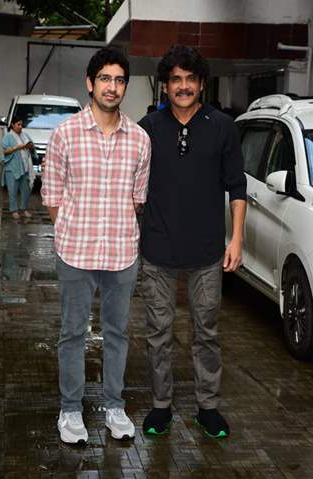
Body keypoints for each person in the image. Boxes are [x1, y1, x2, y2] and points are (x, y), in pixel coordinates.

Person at [41, 47, 151, 443]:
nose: (112, 86)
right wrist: (75, 231)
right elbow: (52, 196)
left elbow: (138, 199)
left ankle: (115, 406)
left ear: (125, 86)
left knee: (118, 333)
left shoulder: (140, 139)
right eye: (104, 78)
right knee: (72, 333)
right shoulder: (65, 134)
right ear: (90, 84)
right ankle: (70, 411)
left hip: (122, 254)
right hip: (75, 253)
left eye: (119, 79)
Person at [138, 45, 247, 438]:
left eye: (190, 79)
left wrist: (236, 239)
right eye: (175, 80)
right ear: (165, 86)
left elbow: (237, 186)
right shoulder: (147, 129)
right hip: (158, 251)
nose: (183, 87)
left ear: (202, 83)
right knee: (158, 333)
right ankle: (161, 406)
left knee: (208, 332)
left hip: (207, 253)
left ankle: (208, 408)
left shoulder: (222, 127)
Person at [1, 116, 37, 220]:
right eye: (18, 125)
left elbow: (32, 146)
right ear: (13, 125)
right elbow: (5, 151)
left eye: (22, 125)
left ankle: (23, 208)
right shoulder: (8, 136)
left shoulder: (25, 135)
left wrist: (31, 146)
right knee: (12, 191)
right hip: (12, 168)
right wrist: (18, 147)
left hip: (25, 167)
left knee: (26, 190)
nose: (21, 127)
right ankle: (14, 210)